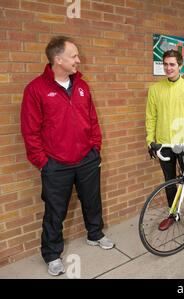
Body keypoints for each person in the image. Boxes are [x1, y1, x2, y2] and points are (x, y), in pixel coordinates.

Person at [20, 36, 114, 276]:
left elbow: (92, 120)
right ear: (58, 59)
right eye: (73, 56)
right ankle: (52, 254)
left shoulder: (82, 86)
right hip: (56, 164)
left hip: (87, 159)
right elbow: (30, 131)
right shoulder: (35, 90)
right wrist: (43, 162)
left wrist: (95, 148)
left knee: (92, 200)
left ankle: (95, 234)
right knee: (55, 210)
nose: (78, 60)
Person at [146, 49, 184, 231]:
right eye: (165, 64)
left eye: (172, 64)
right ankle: (173, 213)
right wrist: (150, 141)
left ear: (180, 66)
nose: (168, 68)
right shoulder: (155, 89)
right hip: (164, 144)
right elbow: (151, 117)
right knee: (169, 180)